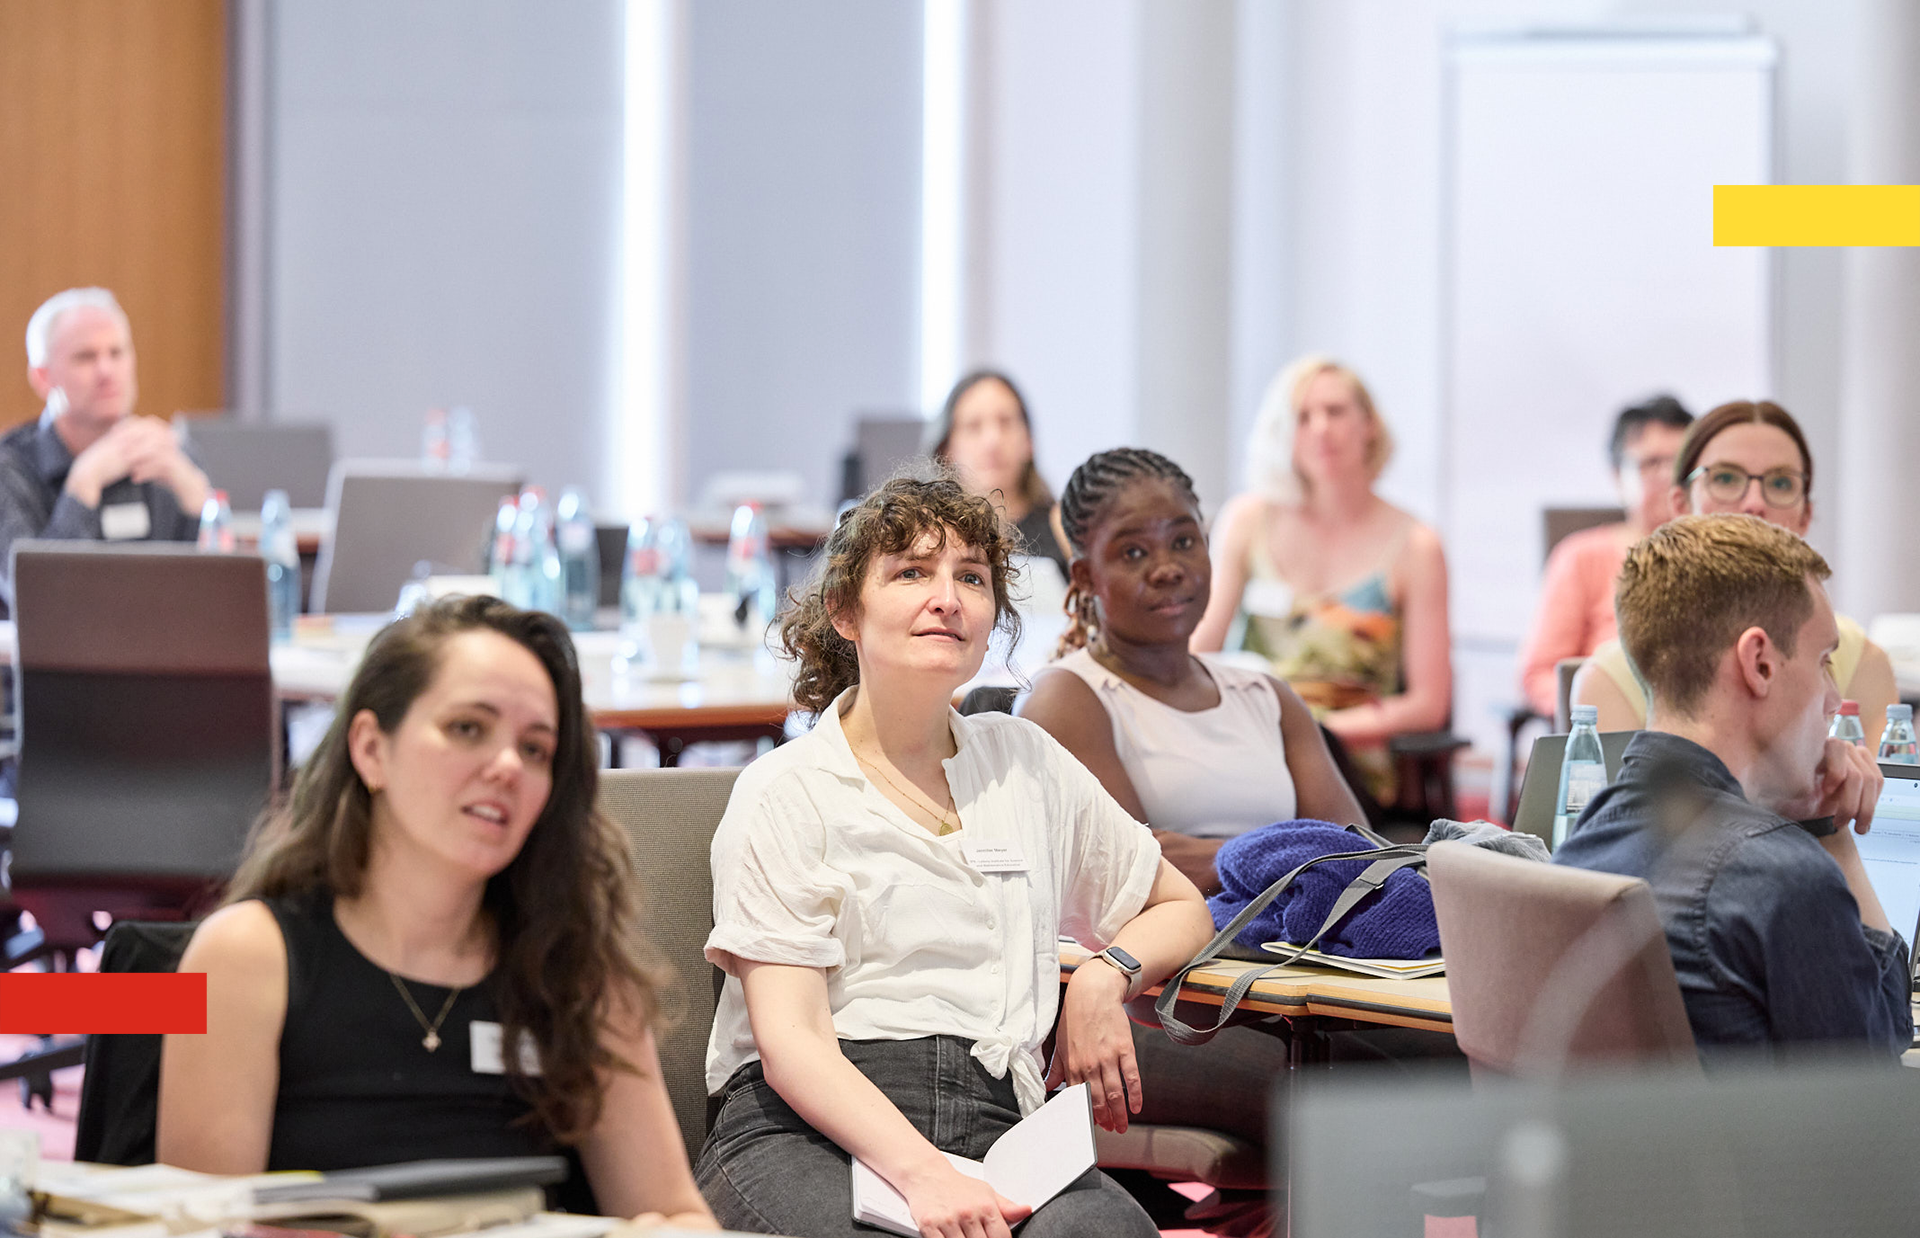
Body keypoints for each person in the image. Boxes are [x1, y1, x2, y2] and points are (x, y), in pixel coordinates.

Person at [695, 473, 1214, 1238]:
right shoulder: (786, 789)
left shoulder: (1025, 760)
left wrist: (1108, 976)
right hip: (805, 1124)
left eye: (970, 577)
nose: (949, 598)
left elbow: (1179, 907)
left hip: (1001, 1126)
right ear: (845, 611)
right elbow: (794, 1045)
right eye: (911, 572)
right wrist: (924, 1175)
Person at [158, 596, 716, 1228]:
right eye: (468, 729)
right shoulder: (245, 957)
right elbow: (203, 1226)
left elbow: (672, 1211)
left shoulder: (577, 969)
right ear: (371, 749)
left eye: (535, 749)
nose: (508, 766)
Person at [1016, 446, 1368, 1192]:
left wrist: (1248, 861)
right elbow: (1139, 876)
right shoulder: (1068, 699)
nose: (1168, 566)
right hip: (1141, 1007)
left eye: (1184, 540)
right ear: (1086, 579)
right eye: (1134, 551)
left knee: (1464, 1064)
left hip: (1299, 983)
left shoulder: (1264, 693)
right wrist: (1292, 856)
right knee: (1364, 1102)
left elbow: (1359, 857)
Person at [1554, 515, 1911, 1060]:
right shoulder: (1784, 881)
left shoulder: (1587, 838)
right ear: (1760, 663)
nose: (1834, 701)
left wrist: (1820, 823)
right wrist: (1835, 843)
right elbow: (1874, 1067)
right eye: (1823, 662)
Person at [1191, 355, 1451, 802]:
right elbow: (1198, 651)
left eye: (1335, 412)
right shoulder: (1247, 521)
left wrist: (1314, 733)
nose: (1320, 429)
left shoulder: (1416, 545)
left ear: (1369, 425)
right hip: (1247, 738)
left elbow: (1429, 704)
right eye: (1302, 417)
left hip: (1348, 758)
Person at [1572, 400, 1898, 744]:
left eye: (1781, 483)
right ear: (1680, 506)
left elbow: (1887, 797)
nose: (1754, 503)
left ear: (1806, 515)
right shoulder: (1613, 678)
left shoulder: (1862, 662)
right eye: (1726, 478)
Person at [2, 288, 209, 614]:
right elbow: (39, 604)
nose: (106, 371)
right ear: (43, 377)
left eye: (117, 353)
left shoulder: (170, 456)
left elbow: (215, 600)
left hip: (159, 657)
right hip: (54, 663)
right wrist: (83, 484)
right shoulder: (8, 470)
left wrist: (199, 500)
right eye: (85, 357)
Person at [1515, 395, 1692, 716]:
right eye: (1652, 463)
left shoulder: (1720, 559)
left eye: (1681, 464)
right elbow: (1537, 674)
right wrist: (1600, 708)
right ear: (1617, 475)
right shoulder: (1582, 557)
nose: (1669, 477)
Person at [927, 370, 1070, 577]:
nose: (992, 441)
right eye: (973, 426)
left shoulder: (1063, 527)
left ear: (1029, 442)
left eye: (1006, 422)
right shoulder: (928, 534)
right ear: (946, 450)